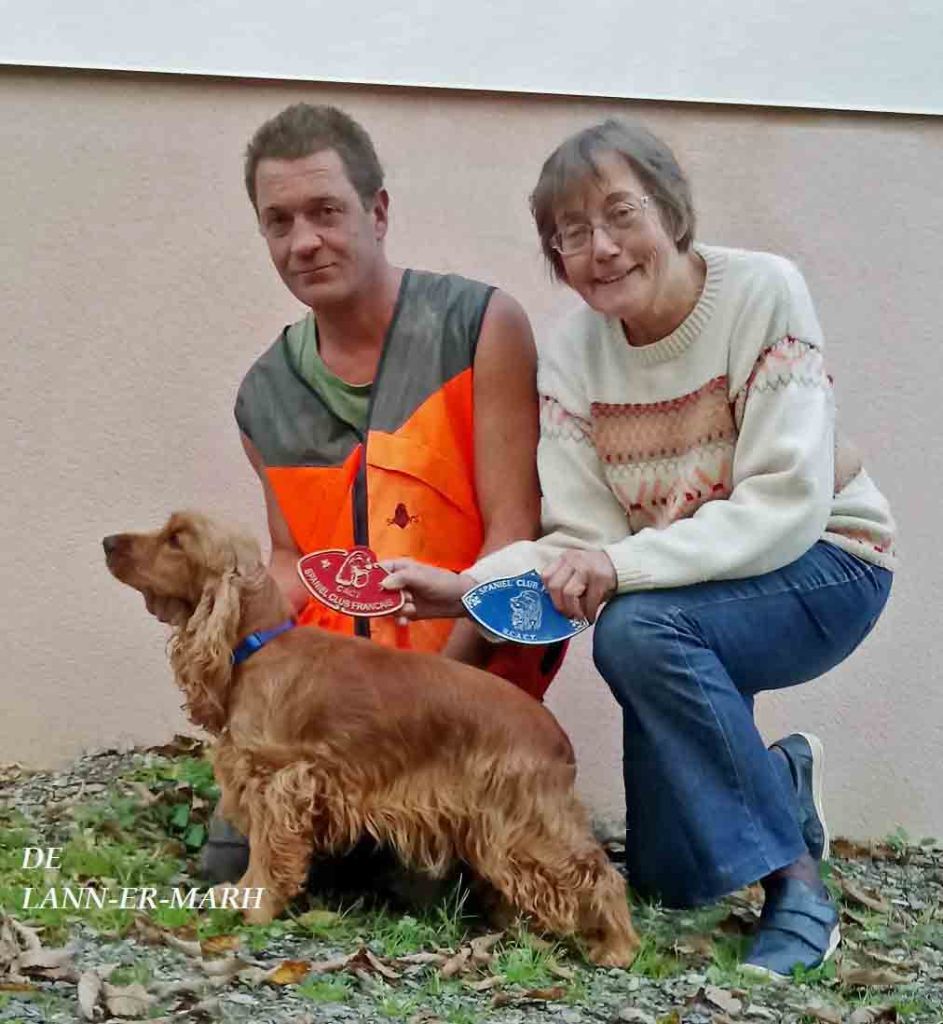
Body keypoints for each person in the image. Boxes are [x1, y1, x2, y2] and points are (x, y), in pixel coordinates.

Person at [381, 119, 896, 978]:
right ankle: (779, 785)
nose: (602, 248)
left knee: (637, 630)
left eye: (621, 213)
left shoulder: (764, 293)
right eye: (570, 233)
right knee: (668, 879)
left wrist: (619, 569)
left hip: (828, 564)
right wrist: (465, 588)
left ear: (672, 209)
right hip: (692, 595)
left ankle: (796, 885)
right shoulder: (574, 355)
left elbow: (783, 504)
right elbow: (584, 543)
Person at [165, 103, 567, 885]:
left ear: (377, 212)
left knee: (415, 886)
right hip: (326, 719)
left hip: (461, 707)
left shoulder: (478, 324)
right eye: (278, 221)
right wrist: (220, 611)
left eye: (325, 211)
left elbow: (513, 532)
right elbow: (290, 558)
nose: (303, 240)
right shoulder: (262, 395)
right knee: (230, 866)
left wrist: (426, 706)